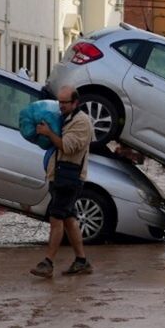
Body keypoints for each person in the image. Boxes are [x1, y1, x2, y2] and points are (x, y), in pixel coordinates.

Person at [30, 86, 94, 278]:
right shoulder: (65, 118)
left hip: (70, 179)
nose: (61, 106)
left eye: (65, 103)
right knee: (69, 219)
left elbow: (67, 147)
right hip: (59, 176)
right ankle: (82, 261)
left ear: (76, 103)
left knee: (56, 218)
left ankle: (47, 263)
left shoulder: (82, 123)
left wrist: (49, 133)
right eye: (59, 102)